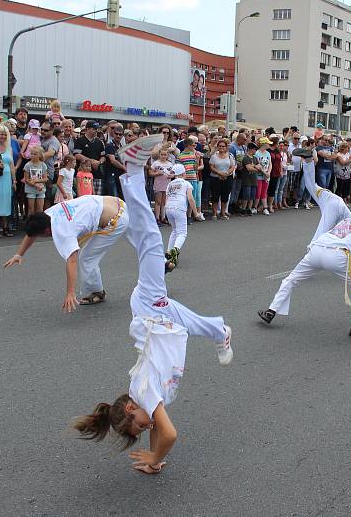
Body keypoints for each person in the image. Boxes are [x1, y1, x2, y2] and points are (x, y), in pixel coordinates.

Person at [70, 168, 233, 475]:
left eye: (139, 426)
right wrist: (154, 460)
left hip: (150, 312)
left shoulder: (144, 393)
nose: (147, 428)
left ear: (130, 409)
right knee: (147, 244)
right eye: (143, 432)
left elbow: (169, 434)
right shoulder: (150, 402)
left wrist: (155, 456)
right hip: (168, 325)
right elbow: (159, 426)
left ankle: (131, 174)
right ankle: (219, 330)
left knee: (151, 243)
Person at [257, 157, 351, 337]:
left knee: (291, 279)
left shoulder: (349, 220)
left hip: (316, 249)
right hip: (337, 256)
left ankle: (271, 311)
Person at [3, 192, 129, 311]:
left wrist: (70, 292)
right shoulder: (49, 214)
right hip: (116, 202)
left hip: (116, 219)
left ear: (47, 232)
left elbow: (72, 260)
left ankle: (97, 292)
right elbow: (32, 233)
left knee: (86, 257)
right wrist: (19, 254)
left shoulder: (63, 231)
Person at [164, 163, 204, 270]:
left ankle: (168, 252)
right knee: (182, 233)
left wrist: (166, 212)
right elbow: (190, 198)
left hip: (169, 208)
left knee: (174, 230)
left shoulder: (170, 184)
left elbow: (166, 199)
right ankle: (175, 250)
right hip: (179, 207)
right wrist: (196, 213)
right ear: (182, 173)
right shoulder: (186, 183)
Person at [208, 138, 235, 220]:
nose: (221, 148)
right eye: (220, 146)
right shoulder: (214, 156)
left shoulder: (230, 156)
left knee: (225, 196)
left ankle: (223, 213)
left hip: (227, 178)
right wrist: (219, 173)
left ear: (226, 147)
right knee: (215, 196)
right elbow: (211, 167)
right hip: (215, 178)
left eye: (223, 146)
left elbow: (232, 166)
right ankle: (215, 213)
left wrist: (226, 173)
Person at [23, 146, 49, 215]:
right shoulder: (27, 165)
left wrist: (36, 181)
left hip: (41, 190)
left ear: (40, 155)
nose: (33, 156)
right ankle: (30, 224)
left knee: (40, 210)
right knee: (31, 209)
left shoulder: (43, 165)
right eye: (31, 154)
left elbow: (45, 178)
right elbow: (26, 179)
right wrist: (35, 185)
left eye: (35, 154)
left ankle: (39, 224)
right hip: (31, 190)